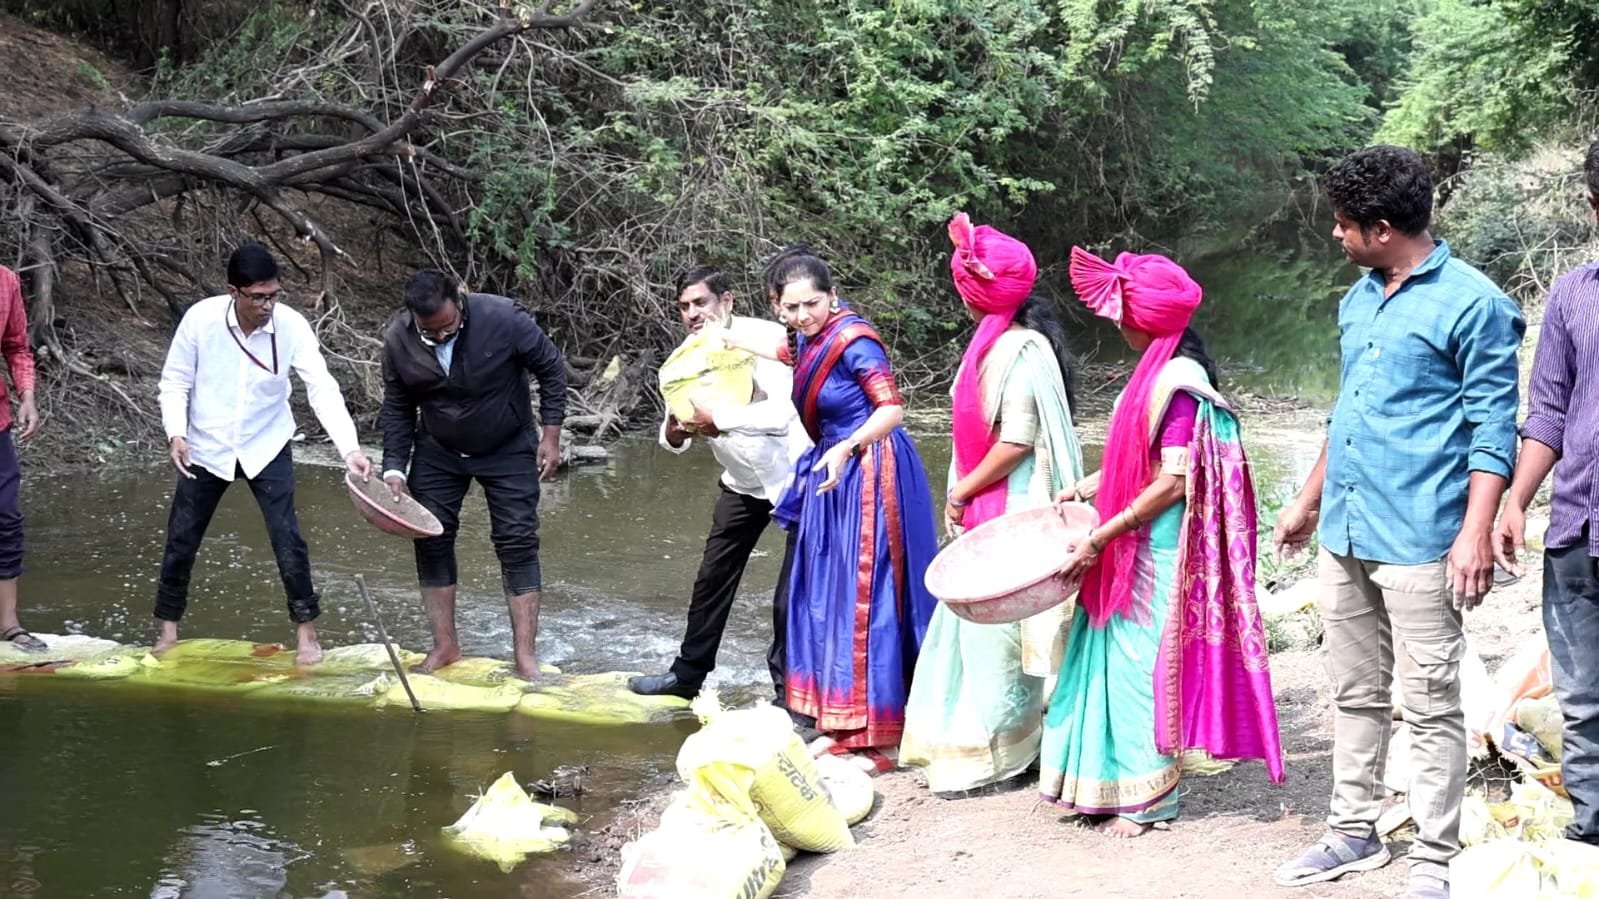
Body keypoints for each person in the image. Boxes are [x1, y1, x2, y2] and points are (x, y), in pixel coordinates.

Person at [1273, 146, 1525, 899]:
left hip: (1422, 532)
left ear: (1381, 229)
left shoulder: (1475, 305)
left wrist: (1474, 532)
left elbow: (1492, 429)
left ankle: (1433, 856)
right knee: (1353, 689)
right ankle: (1352, 831)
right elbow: (1347, 410)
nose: (1335, 235)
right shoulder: (1358, 298)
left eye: (1343, 224)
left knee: (1430, 700)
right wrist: (1307, 499)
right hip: (1346, 527)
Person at [1041, 246, 1283, 837]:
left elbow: (1173, 481)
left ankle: (1147, 798)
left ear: (1142, 319)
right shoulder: (1157, 369)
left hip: (1157, 548)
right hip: (1128, 535)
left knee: (1137, 670)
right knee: (1102, 655)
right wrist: (1089, 485)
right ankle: (1101, 784)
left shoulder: (1179, 383)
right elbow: (1140, 459)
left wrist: (1102, 534)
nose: (1117, 324)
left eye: (1122, 313)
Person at [723, 247, 939, 758]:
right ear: (777, 306)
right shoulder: (805, 339)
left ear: (832, 297)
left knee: (867, 591)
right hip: (833, 469)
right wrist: (722, 332)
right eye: (792, 307)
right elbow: (780, 347)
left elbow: (891, 409)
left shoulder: (854, 341)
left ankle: (874, 725)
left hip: (872, 466)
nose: (804, 315)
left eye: (812, 304)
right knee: (827, 589)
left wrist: (847, 446)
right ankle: (838, 711)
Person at [900, 214, 1085, 793]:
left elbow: (1017, 441)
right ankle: (987, 744)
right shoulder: (997, 342)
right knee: (977, 624)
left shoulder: (1020, 348)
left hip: (1016, 502)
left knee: (999, 628)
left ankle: (1003, 753)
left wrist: (961, 490)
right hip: (994, 496)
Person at [155, 243, 373, 664]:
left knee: (287, 537)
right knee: (181, 538)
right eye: (258, 297)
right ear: (233, 291)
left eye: (273, 295)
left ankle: (307, 634)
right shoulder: (201, 320)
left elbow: (321, 388)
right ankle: (167, 631)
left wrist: (350, 449)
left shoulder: (291, 326)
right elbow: (175, 382)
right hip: (206, 445)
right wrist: (176, 434)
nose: (267, 306)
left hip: (266, 443)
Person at [628, 265, 810, 701]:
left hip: (792, 478)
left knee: (790, 595)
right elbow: (674, 429)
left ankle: (789, 693)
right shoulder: (684, 358)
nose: (693, 313)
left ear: (726, 301)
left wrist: (721, 419)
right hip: (742, 481)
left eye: (701, 303)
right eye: (684, 306)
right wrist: (675, 433)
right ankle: (686, 677)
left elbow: (784, 414)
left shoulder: (766, 340)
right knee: (712, 578)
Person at [379, 269, 567, 680]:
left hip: (507, 442)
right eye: (430, 332)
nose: (440, 336)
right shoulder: (398, 339)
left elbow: (552, 369)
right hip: (438, 448)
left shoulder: (504, 319)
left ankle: (525, 658)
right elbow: (397, 405)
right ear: (413, 318)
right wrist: (393, 466)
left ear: (460, 303)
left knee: (517, 541)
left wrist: (551, 437)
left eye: (448, 327)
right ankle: (445, 646)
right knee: (431, 538)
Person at [1492, 138, 1599, 851]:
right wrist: (1515, 499)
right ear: (1593, 205)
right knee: (1584, 699)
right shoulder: (1572, 293)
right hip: (1577, 528)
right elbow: (1550, 411)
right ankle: (1593, 837)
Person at [0, 265, 41, 652]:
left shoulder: (6, 281)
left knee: (6, 518)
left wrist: (26, 395)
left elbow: (16, 346)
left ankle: (8, 624)